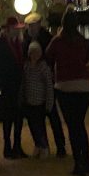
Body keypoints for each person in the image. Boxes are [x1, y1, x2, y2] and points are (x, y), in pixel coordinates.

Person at [45, 7, 89, 176]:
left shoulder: (58, 41)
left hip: (65, 86)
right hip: (83, 87)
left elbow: (48, 56)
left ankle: (78, 162)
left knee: (72, 126)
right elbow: (87, 58)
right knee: (80, 124)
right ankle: (86, 160)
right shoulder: (82, 40)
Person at [24, 12, 67, 157]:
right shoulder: (27, 38)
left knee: (52, 115)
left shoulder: (46, 38)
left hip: (46, 78)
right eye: (30, 26)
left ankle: (59, 146)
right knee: (38, 118)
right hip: (34, 83)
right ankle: (43, 145)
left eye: (33, 25)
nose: (31, 28)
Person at [0, 15, 26, 158]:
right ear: (9, 29)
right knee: (8, 117)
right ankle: (7, 146)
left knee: (18, 117)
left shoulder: (17, 44)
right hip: (7, 86)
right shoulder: (0, 45)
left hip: (17, 85)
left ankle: (17, 145)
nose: (17, 31)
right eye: (15, 29)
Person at [20, 40, 54, 157]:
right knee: (32, 125)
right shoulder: (27, 66)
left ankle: (44, 146)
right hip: (29, 101)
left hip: (40, 102)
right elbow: (24, 83)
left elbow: (49, 86)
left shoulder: (43, 67)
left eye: (36, 52)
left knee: (39, 125)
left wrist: (49, 103)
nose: (34, 55)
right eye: (32, 53)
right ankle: (38, 145)